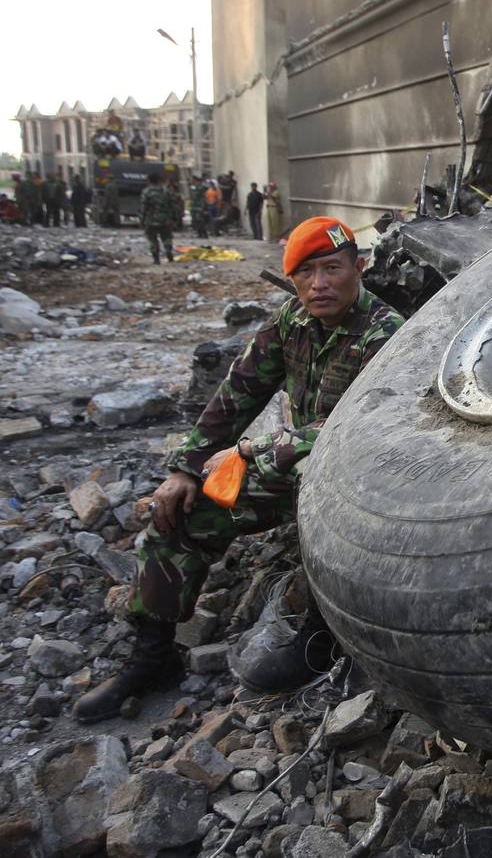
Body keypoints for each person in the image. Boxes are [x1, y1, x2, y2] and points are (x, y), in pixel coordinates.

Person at [73, 217, 405, 722]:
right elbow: (237, 393)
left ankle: (321, 639)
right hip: (289, 470)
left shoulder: (387, 334)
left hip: (356, 481)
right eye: (306, 273)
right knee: (179, 511)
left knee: (324, 503)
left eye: (333, 269)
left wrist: (251, 453)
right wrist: (185, 467)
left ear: (358, 268)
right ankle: (152, 658)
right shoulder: (291, 321)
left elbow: (356, 429)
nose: (320, 285)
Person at [140, 172, 175, 264]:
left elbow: (144, 208)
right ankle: (169, 253)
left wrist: (142, 220)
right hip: (165, 219)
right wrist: (174, 218)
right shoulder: (166, 191)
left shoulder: (146, 192)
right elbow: (173, 205)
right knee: (167, 237)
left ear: (149, 181)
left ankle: (156, 259)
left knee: (152, 239)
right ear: (159, 181)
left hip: (151, 220)